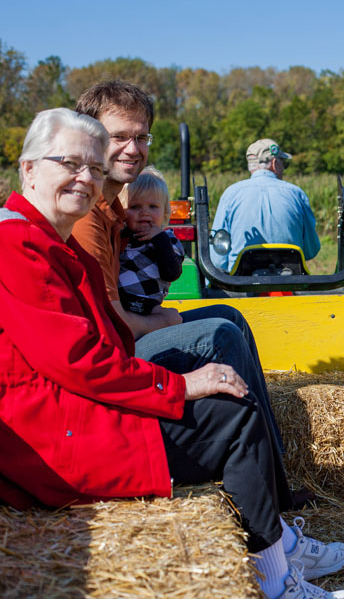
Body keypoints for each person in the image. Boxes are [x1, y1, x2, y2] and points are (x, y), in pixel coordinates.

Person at [0, 108, 344, 599]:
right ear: (29, 169)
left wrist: (179, 379)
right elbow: (79, 361)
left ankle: (279, 551)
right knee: (231, 415)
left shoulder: (53, 240)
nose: (85, 178)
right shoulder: (17, 244)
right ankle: (277, 580)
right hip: (55, 438)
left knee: (227, 386)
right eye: (70, 164)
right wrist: (178, 385)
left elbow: (106, 345)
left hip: (72, 410)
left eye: (94, 168)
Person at [71, 80, 285, 454]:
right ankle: (256, 460)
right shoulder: (88, 217)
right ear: (89, 138)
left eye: (141, 137)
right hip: (112, 354)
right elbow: (117, 326)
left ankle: (272, 451)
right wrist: (167, 320)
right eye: (119, 136)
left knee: (229, 315)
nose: (133, 148)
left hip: (130, 328)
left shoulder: (115, 213)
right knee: (221, 333)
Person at [211, 138, 320, 273]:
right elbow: (311, 250)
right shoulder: (296, 194)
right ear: (274, 163)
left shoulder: (231, 194)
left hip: (240, 280)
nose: (284, 169)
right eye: (284, 164)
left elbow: (218, 256)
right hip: (290, 279)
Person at [118, 165, 185, 315]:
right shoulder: (119, 238)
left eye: (153, 206)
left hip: (147, 306)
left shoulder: (168, 241)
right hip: (119, 304)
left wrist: (159, 239)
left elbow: (171, 274)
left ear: (165, 211)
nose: (145, 213)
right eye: (135, 206)